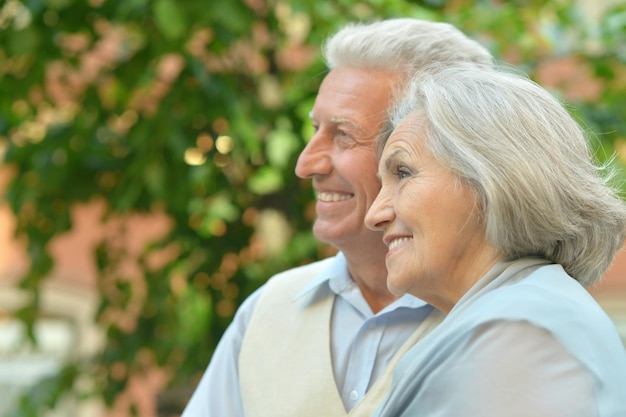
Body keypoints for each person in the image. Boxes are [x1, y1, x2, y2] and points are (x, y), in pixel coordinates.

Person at [181, 19, 493, 417]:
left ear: (443, 154)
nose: (305, 164)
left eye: (344, 135)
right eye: (314, 129)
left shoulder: (509, 319)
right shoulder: (266, 313)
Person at [365, 63, 626, 417]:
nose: (374, 215)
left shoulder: (521, 333)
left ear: (493, 180)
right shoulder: (521, 314)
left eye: (403, 173)